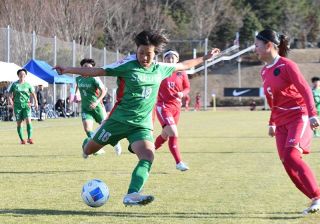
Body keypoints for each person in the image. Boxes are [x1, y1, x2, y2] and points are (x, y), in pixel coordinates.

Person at [54, 29, 220, 206]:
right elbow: (98, 71)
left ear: (155, 54)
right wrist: (67, 69)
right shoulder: (127, 65)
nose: (144, 58)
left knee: (148, 156)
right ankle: (87, 145)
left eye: (148, 54)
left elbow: (185, 65)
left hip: (141, 126)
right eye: (141, 53)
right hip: (117, 121)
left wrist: (205, 57)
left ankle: (132, 194)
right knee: (89, 150)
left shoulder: (161, 69)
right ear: (137, 51)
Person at [255, 29, 320, 214]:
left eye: (257, 45)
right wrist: (272, 122)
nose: (254, 49)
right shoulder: (264, 71)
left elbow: (305, 89)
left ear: (269, 45)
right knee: (286, 163)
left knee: (292, 156)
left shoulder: (287, 65)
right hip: (280, 121)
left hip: (299, 116)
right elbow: (273, 101)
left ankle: (318, 196)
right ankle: (315, 198)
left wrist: (313, 114)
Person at [74, 58, 121, 156]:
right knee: (87, 129)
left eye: (90, 67)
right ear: (81, 68)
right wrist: (76, 95)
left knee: (106, 128)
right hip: (86, 108)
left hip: (97, 108)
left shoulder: (94, 78)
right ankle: (97, 149)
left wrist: (96, 102)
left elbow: (104, 90)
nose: (88, 69)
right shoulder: (78, 79)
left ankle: (116, 143)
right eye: (85, 67)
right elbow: (78, 88)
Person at [154, 49, 190, 171]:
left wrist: (182, 93)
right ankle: (179, 162)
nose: (170, 60)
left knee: (165, 135)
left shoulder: (182, 72)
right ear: (164, 60)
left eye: (173, 58)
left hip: (176, 108)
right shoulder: (160, 71)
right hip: (164, 107)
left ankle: (148, 153)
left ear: (177, 59)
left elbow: (187, 88)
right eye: (168, 58)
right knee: (173, 133)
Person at [8, 69, 38, 144]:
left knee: (28, 120)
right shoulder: (14, 84)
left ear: (25, 75)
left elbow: (33, 93)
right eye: (21, 74)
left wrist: (36, 102)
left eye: (24, 74)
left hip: (26, 105)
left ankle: (29, 138)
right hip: (17, 106)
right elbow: (9, 93)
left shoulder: (28, 84)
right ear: (18, 75)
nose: (22, 75)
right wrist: (10, 100)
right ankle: (22, 140)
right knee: (19, 123)